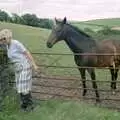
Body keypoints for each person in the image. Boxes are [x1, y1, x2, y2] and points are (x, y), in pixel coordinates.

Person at [0, 29, 38, 111]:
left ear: (7, 38)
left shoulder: (16, 43)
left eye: (3, 39)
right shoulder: (7, 45)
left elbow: (27, 52)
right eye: (1, 39)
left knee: (23, 87)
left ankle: (29, 107)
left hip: (24, 67)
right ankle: (26, 106)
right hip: (18, 68)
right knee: (21, 87)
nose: (1, 41)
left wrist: (34, 64)